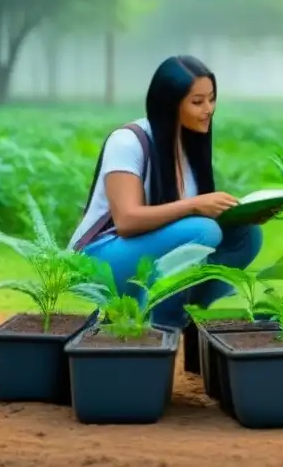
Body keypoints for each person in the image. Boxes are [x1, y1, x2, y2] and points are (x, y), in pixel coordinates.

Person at [68, 55, 263, 328]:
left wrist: (247, 214)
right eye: (197, 102)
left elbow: (182, 220)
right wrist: (195, 205)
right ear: (171, 104)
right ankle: (163, 325)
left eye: (212, 98)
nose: (209, 109)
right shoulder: (128, 141)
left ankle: (190, 315)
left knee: (247, 235)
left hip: (147, 251)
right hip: (99, 258)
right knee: (204, 232)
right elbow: (126, 220)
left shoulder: (189, 145)